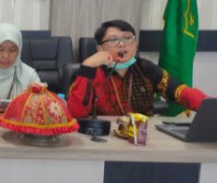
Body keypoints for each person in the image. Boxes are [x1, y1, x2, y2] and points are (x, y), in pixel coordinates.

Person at [67, 19, 208, 118]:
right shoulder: (89, 72)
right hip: (103, 138)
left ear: (136, 45)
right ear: (100, 48)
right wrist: (87, 66)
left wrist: (211, 106)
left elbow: (179, 91)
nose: (122, 44)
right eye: (113, 40)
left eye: (128, 38)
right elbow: (75, 113)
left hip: (141, 137)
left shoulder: (146, 68)